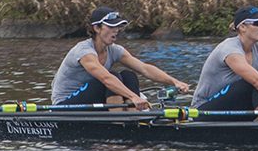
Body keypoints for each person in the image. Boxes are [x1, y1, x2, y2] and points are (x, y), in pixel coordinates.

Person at [50, 7, 191, 110]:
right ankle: (119, 122)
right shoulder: (84, 52)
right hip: (65, 104)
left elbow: (145, 69)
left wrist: (174, 81)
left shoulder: (115, 50)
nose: (116, 30)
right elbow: (106, 79)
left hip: (91, 100)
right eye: (111, 26)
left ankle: (132, 118)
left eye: (118, 26)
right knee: (112, 77)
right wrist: (134, 97)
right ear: (97, 28)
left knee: (129, 76)